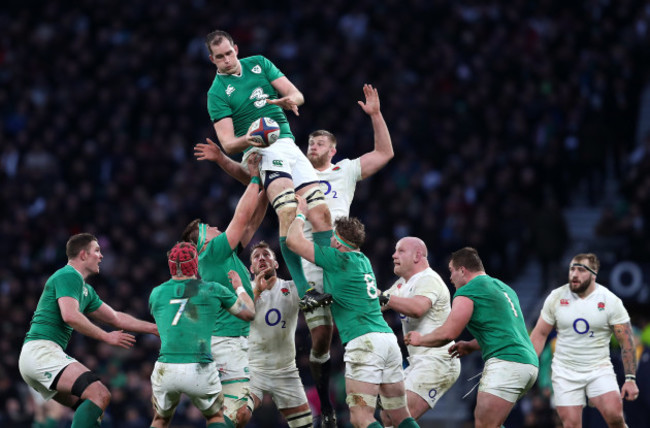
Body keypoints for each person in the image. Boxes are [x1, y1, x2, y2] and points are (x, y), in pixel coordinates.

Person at [196, 83, 394, 425]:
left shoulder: (344, 170)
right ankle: (328, 405)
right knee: (319, 338)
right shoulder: (291, 167)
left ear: (333, 150)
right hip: (301, 256)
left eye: (320, 143)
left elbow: (383, 154)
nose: (313, 145)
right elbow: (251, 175)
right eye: (310, 142)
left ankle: (362, 388)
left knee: (349, 328)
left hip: (334, 254)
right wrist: (222, 160)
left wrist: (376, 115)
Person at [204, 29, 333, 310]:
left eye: (229, 53)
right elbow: (228, 143)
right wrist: (250, 138)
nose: (227, 60)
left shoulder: (260, 63)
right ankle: (305, 290)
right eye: (220, 57)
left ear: (236, 48)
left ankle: (333, 282)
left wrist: (290, 101)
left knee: (322, 214)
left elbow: (296, 94)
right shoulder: (216, 94)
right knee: (288, 210)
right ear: (212, 60)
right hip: (260, 150)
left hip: (287, 144)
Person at [287, 195, 420, 428]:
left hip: (364, 344)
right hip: (387, 340)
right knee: (401, 417)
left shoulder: (338, 259)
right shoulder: (364, 261)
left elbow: (292, 241)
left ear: (338, 243)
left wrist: (300, 212)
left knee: (361, 418)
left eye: (332, 239)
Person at [18, 233, 158, 428]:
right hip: (41, 351)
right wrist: (105, 337)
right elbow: (70, 315)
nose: (101, 256)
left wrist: (153, 328)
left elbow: (116, 318)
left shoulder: (86, 291)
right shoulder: (68, 275)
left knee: (90, 403)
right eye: (97, 251)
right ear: (83, 255)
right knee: (99, 393)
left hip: (40, 355)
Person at [405, 247, 538, 428]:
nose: (450, 277)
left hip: (507, 363)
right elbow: (507, 333)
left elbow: (449, 333)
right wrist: (470, 345)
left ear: (462, 270)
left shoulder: (469, 290)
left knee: (484, 424)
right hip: (528, 365)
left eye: (451, 271)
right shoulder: (505, 289)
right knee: (493, 424)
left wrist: (421, 339)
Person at [180, 154, 266, 428]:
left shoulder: (223, 255)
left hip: (232, 340)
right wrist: (254, 177)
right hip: (227, 342)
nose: (217, 227)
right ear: (203, 240)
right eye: (210, 228)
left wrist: (269, 189)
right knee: (240, 408)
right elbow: (241, 217)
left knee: (238, 413)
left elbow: (252, 223)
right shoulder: (211, 254)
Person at [148, 242, 255, 428]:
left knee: (160, 419)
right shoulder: (212, 289)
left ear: (170, 265)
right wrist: (239, 287)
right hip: (199, 366)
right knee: (215, 417)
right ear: (195, 264)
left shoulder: (156, 294)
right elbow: (248, 313)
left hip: (166, 366)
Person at [529, 253, 639, 428]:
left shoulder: (610, 301)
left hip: (598, 368)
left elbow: (626, 341)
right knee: (570, 424)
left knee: (615, 415)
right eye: (572, 269)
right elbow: (540, 334)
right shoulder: (556, 298)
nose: (574, 274)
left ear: (594, 274)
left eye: (581, 270)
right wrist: (527, 367)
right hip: (565, 370)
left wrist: (630, 379)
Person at [379, 237, 460, 425]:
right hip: (419, 361)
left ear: (417, 256)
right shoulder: (403, 283)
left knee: (397, 416)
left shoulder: (429, 279)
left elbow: (417, 308)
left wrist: (383, 298)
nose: (393, 255)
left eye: (400, 251)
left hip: (439, 360)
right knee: (387, 416)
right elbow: (376, 303)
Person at [246, 241, 313, 428]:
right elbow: (239, 317)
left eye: (266, 255)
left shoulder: (291, 288)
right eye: (256, 256)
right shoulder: (244, 291)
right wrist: (257, 290)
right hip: (253, 369)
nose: (261, 258)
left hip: (285, 371)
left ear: (275, 264)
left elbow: (315, 295)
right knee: (238, 415)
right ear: (251, 268)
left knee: (305, 425)